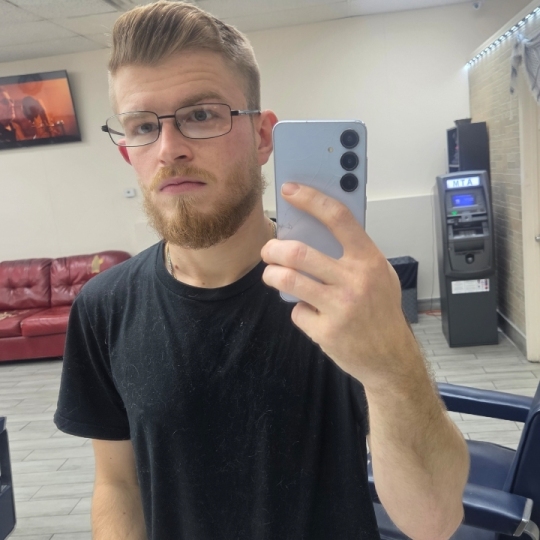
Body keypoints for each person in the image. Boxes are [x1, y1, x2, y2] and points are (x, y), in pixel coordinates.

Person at [54, 2, 470, 539]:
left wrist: (392, 367)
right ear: (127, 152)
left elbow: (434, 519)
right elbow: (117, 484)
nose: (169, 149)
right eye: (143, 126)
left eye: (201, 115)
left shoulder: (340, 292)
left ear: (263, 137)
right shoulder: (103, 309)